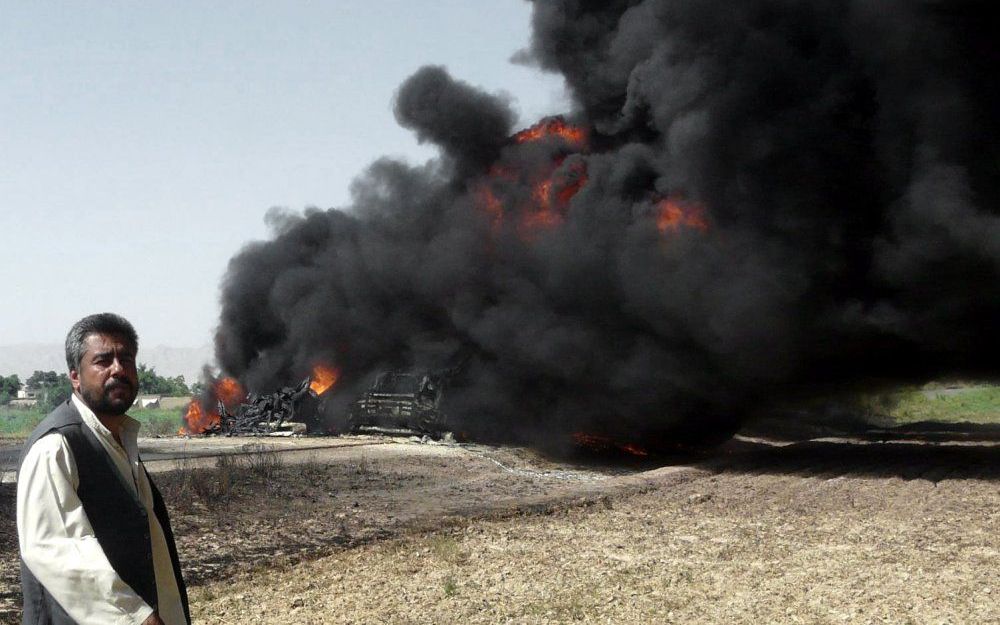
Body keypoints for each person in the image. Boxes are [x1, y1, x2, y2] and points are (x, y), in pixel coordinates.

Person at [17, 313, 189, 625]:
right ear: (75, 376)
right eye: (103, 360)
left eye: (126, 359)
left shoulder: (119, 439)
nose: (118, 369)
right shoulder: (56, 446)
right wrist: (136, 616)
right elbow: (61, 550)